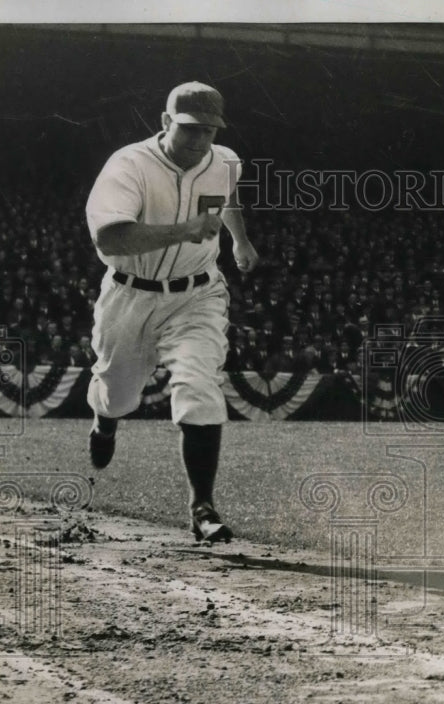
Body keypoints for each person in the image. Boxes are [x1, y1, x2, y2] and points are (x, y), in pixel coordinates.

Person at [85, 81, 259, 543]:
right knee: (117, 395)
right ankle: (105, 421)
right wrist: (184, 230)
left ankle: (203, 508)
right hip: (130, 293)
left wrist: (239, 240)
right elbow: (109, 237)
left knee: (199, 385)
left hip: (197, 295)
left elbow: (227, 197)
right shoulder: (129, 165)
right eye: (190, 128)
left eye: (209, 130)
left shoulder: (226, 160)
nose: (200, 139)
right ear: (165, 122)